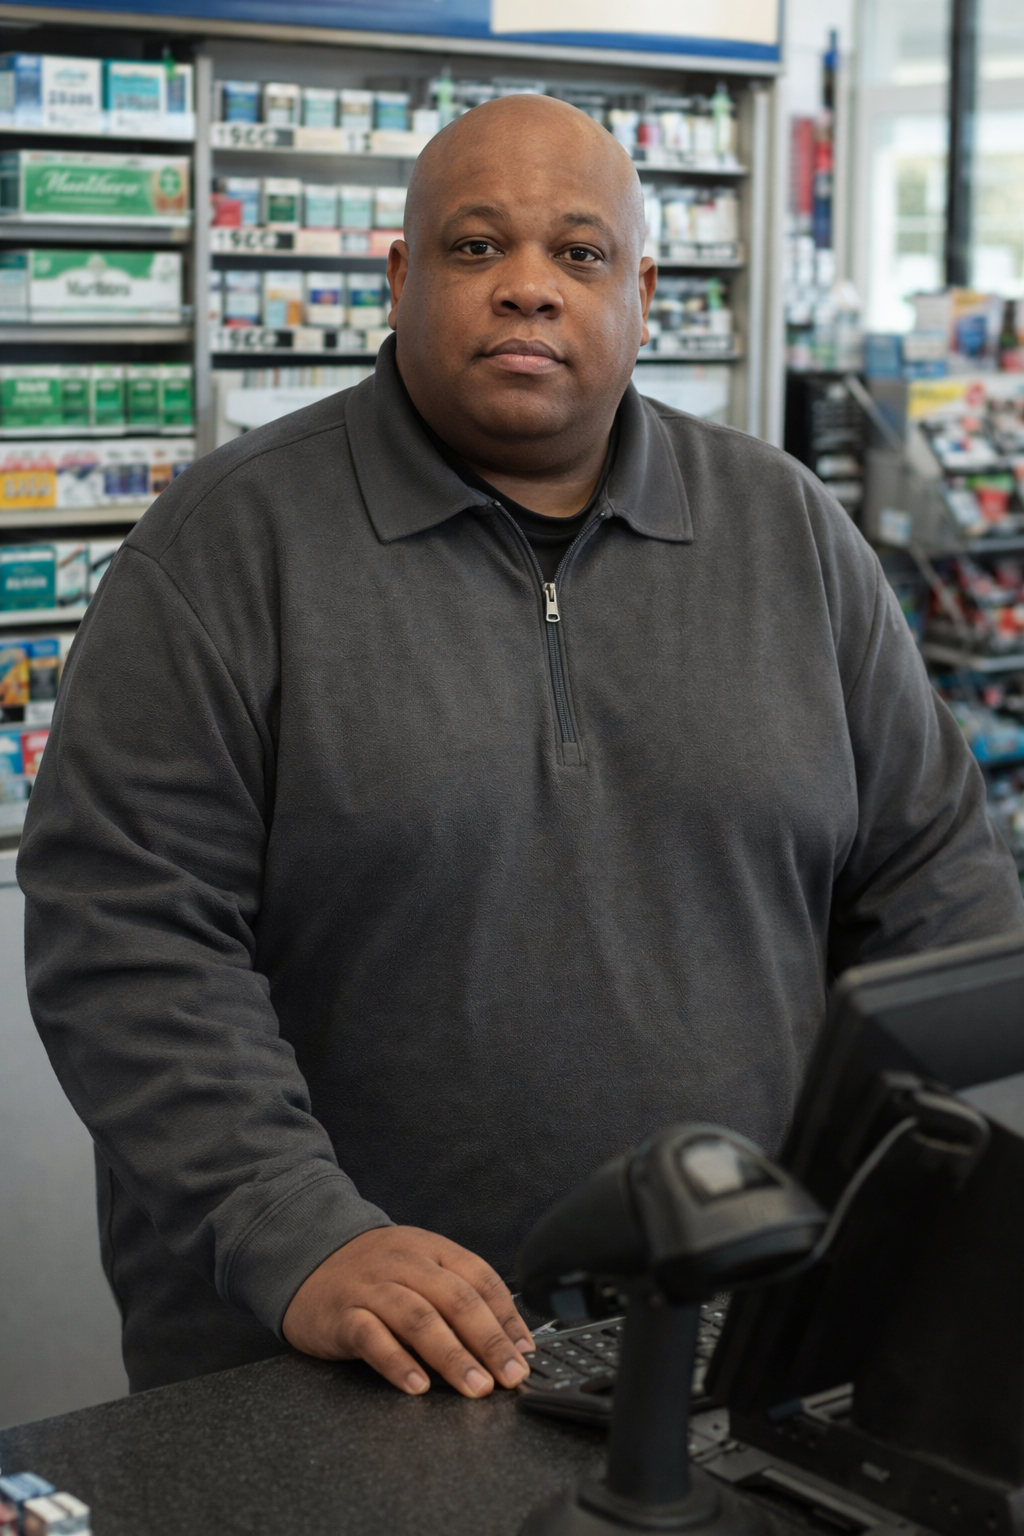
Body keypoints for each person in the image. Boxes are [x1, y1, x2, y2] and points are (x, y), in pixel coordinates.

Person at [19, 95, 1023, 1401]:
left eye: (580, 254)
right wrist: (297, 1227)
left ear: (644, 291)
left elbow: (939, 889)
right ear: (398, 275)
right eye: (476, 247)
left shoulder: (788, 531)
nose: (529, 292)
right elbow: (126, 935)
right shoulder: (221, 549)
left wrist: (921, 1205)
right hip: (350, 1362)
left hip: (736, 1324)